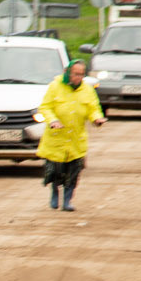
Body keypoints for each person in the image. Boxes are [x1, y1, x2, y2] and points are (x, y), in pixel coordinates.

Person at [35, 59, 105, 212]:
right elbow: (45, 107)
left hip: (76, 139)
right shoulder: (55, 87)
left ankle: (67, 199)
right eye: (75, 74)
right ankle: (55, 191)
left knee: (73, 171)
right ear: (68, 73)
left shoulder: (87, 90)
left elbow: (93, 108)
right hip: (56, 139)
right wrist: (53, 120)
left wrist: (97, 119)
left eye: (81, 74)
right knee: (55, 170)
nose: (78, 77)